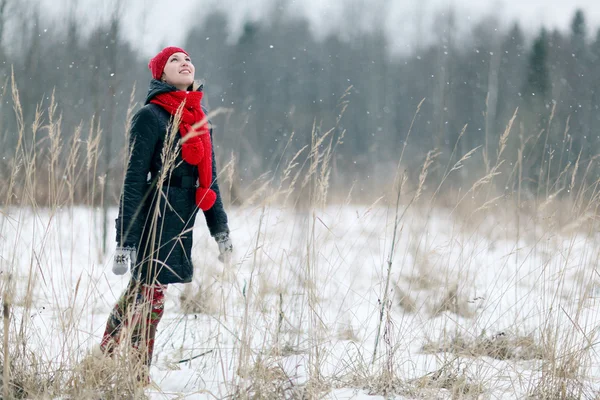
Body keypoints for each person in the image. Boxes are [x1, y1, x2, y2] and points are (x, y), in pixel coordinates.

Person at [99, 46, 233, 383]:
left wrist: (221, 233)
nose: (185, 62)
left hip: (181, 218)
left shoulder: (200, 119)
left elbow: (210, 181)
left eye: (188, 58)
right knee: (150, 296)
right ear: (160, 74)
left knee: (141, 292)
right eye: (174, 60)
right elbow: (132, 180)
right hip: (153, 213)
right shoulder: (151, 115)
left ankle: (105, 360)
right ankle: (135, 374)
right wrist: (125, 241)